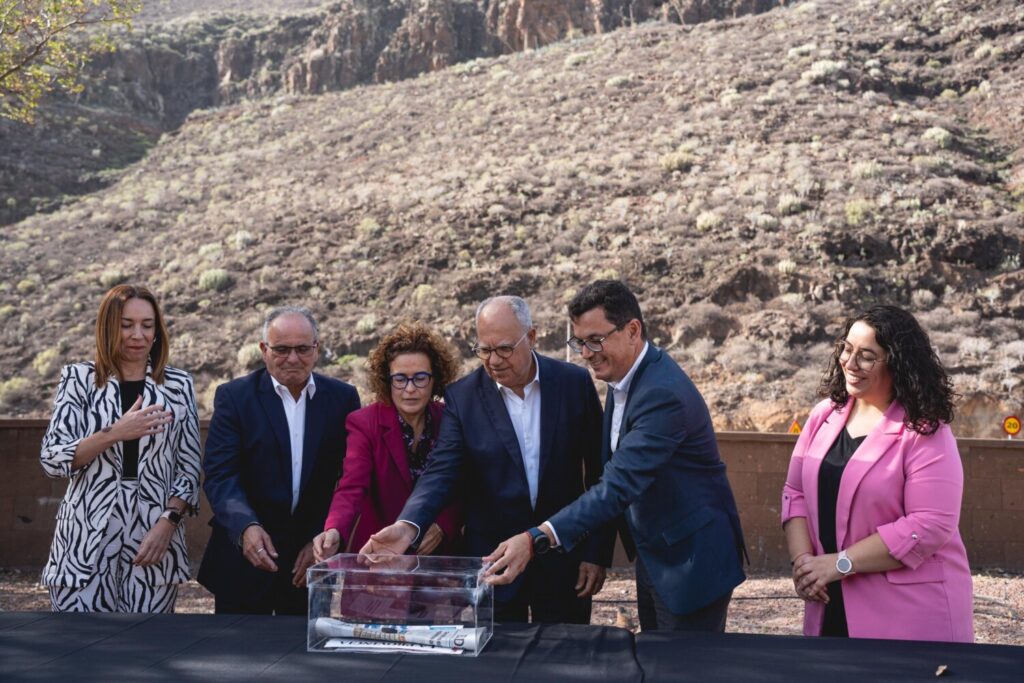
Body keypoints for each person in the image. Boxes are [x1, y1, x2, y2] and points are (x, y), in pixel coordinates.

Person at [483, 280, 746, 632]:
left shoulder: (662, 395)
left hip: (692, 563)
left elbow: (617, 485)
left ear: (632, 330)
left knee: (683, 669)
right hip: (657, 557)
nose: (586, 353)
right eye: (580, 342)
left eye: (596, 340)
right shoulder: (622, 382)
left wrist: (535, 538)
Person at [362, 296, 612, 624]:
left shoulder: (573, 384)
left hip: (564, 561)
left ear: (532, 337)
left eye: (504, 349)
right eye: (484, 350)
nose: (493, 360)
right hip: (491, 564)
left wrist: (596, 553)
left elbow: (600, 472)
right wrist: (408, 526)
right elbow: (441, 471)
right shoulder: (462, 397)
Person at [782, 305, 973, 641]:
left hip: (908, 617)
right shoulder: (823, 415)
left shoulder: (925, 431)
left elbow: (929, 525)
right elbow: (794, 494)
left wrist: (839, 564)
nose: (850, 363)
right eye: (847, 348)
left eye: (867, 356)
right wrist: (805, 565)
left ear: (897, 363)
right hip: (827, 600)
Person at [40, 284, 201, 612]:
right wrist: (114, 432)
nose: (138, 334)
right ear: (108, 326)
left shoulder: (178, 385)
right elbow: (53, 459)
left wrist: (168, 522)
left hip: (153, 538)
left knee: (147, 649)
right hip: (84, 536)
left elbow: (189, 469)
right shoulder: (79, 380)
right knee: (78, 648)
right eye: (127, 324)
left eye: (147, 325)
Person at [198, 306, 361, 615]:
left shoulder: (343, 398)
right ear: (264, 350)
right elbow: (221, 476)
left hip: (310, 562)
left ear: (316, 349)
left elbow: (348, 478)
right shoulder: (234, 398)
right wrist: (245, 527)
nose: (293, 358)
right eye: (282, 349)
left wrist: (321, 536)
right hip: (243, 558)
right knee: (236, 658)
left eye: (302, 349)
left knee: (306, 654)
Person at [312, 321, 462, 561]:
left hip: (437, 557)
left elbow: (464, 483)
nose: (410, 389)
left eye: (420, 378)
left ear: (435, 379)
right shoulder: (364, 423)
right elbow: (351, 486)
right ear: (387, 379)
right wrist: (334, 529)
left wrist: (443, 525)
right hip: (378, 554)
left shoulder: (450, 418)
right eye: (400, 379)